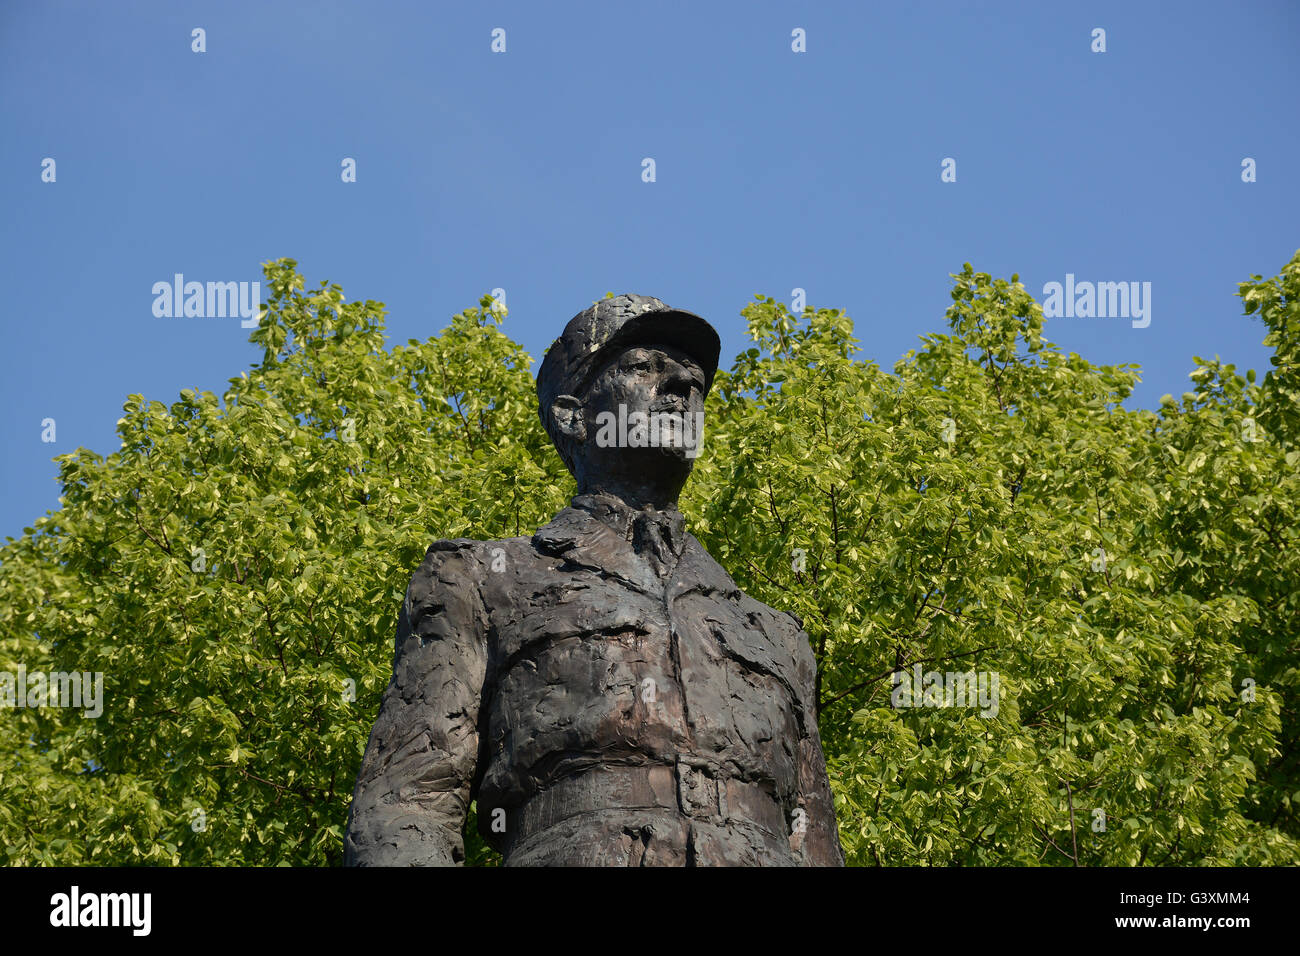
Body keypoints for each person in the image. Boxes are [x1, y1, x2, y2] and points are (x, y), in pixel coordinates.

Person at [344, 294, 843, 866]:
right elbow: (406, 807)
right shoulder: (482, 582)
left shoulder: (777, 636)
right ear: (572, 415)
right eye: (643, 368)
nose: (680, 385)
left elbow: (815, 841)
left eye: (692, 378)